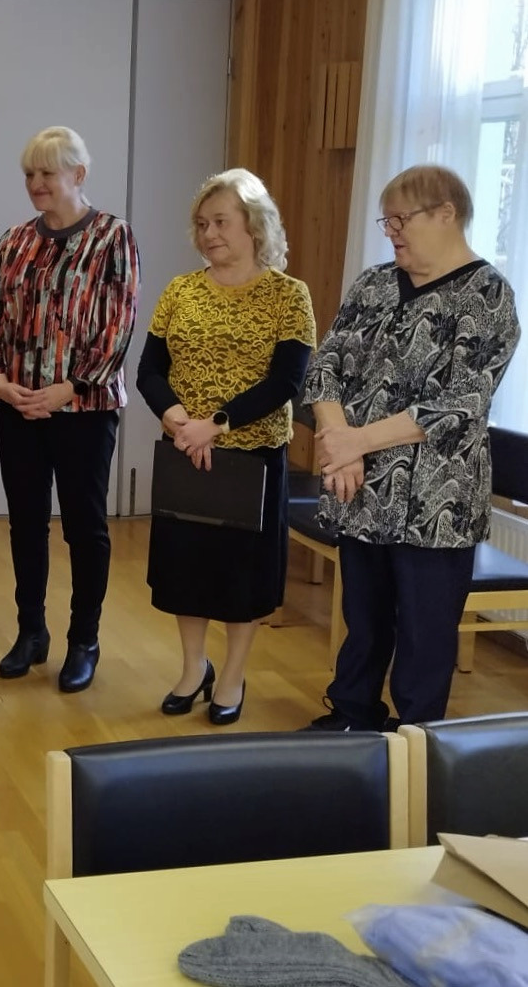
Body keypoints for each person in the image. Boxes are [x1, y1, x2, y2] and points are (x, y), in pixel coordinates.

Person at [301, 164, 519, 731]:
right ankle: (352, 717)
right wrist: (341, 444)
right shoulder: (374, 283)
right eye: (387, 221)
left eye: (402, 219)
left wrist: (352, 442)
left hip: (436, 504)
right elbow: (325, 366)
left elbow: (459, 403)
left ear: (447, 213)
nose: (392, 231)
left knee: (425, 635)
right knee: (364, 619)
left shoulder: (488, 294)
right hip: (360, 488)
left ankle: (418, 743)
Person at [136, 168, 316, 726]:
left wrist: (213, 424)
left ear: (254, 225)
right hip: (184, 450)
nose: (208, 233)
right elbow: (149, 370)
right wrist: (178, 421)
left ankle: (233, 675)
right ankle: (194, 668)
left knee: (242, 578)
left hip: (251, 457)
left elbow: (286, 381)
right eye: (201, 223)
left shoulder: (289, 295)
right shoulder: (180, 290)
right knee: (185, 572)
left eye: (220, 222)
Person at [0, 126, 139, 692]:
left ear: (78, 174)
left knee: (84, 528)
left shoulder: (113, 237)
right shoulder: (13, 241)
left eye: (48, 172)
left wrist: (71, 387)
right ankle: (31, 632)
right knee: (25, 522)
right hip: (19, 407)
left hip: (84, 410)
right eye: (30, 173)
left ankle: (83, 640)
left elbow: (119, 324)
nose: (36, 183)